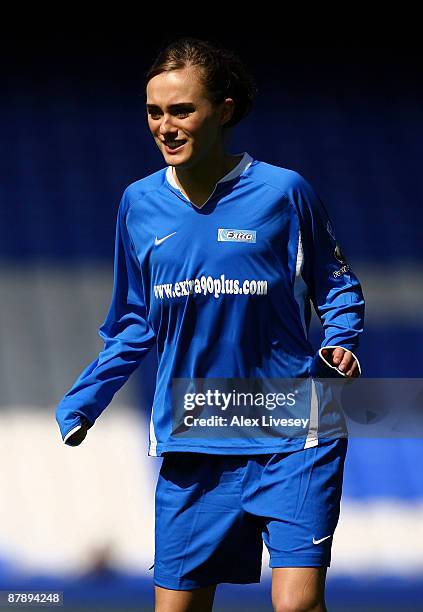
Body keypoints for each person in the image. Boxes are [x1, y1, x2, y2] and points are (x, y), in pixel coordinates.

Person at [56, 37, 365, 612]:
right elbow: (132, 320)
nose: (165, 126)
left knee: (297, 605)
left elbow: (338, 285)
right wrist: (83, 401)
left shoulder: (283, 193)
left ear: (223, 111)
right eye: (154, 112)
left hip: (294, 429)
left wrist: (340, 342)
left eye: (182, 110)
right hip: (196, 433)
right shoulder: (138, 204)